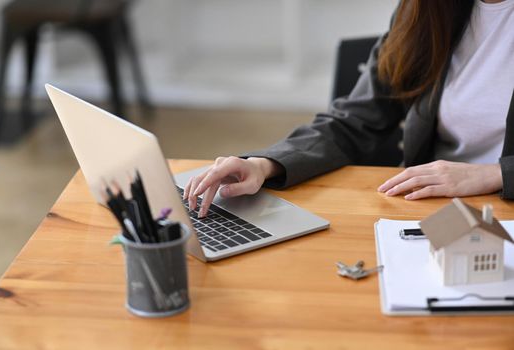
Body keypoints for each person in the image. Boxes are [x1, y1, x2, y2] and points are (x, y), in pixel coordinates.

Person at [185, 0, 514, 218]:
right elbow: (354, 120)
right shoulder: (431, 9)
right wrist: (264, 164)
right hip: (435, 210)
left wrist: (494, 174)